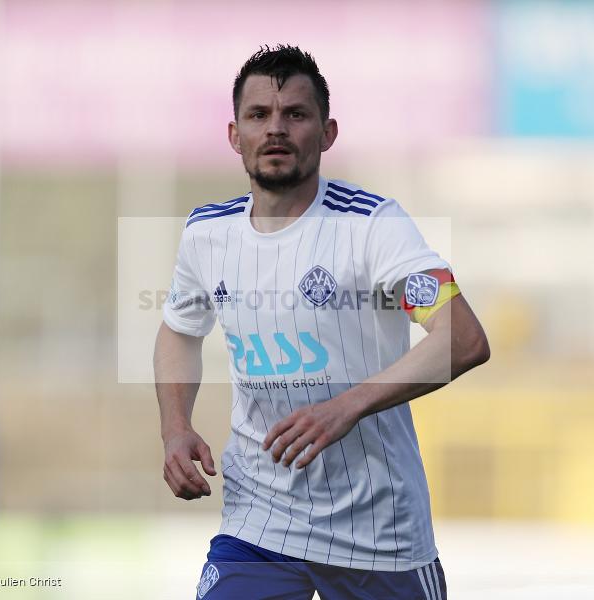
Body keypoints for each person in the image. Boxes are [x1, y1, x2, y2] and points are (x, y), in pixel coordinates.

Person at [154, 44, 489, 600]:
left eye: (296, 114)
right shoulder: (205, 235)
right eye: (259, 115)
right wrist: (174, 426)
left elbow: (464, 337)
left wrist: (345, 407)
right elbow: (179, 330)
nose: (276, 129)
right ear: (235, 136)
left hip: (380, 535)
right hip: (258, 524)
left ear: (327, 133)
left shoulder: (375, 227)